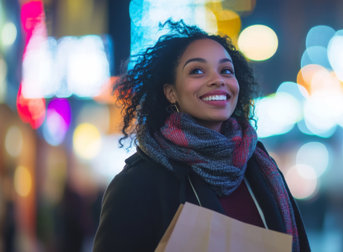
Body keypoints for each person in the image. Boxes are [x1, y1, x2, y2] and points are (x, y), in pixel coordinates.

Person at [93, 20, 310, 252]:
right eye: (197, 71)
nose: (218, 80)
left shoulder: (260, 166)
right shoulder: (137, 183)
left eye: (226, 70)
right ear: (171, 92)